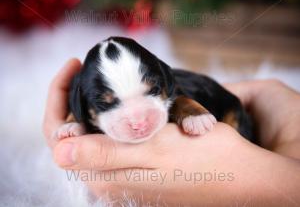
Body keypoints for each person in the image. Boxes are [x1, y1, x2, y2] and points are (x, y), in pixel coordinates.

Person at [43, 59, 300, 206]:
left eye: (151, 92)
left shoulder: (176, 93)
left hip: (233, 113)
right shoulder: (85, 98)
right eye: (108, 103)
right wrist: (73, 121)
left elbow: (180, 100)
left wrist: (259, 177)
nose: (138, 121)